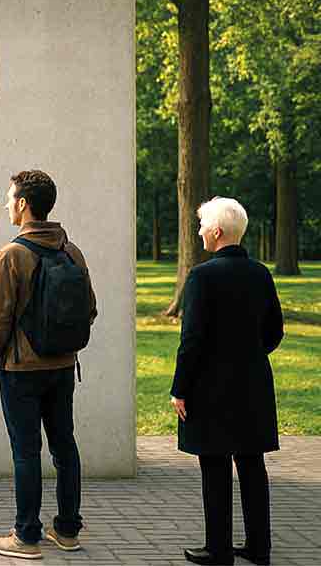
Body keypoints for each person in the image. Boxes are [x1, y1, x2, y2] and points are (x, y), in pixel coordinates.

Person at [0, 170, 97, 560]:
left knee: (26, 452)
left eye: (9, 197)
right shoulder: (72, 252)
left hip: (21, 370)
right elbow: (91, 309)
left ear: (23, 204)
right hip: (64, 367)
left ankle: (26, 536)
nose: (6, 204)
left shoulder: (12, 255)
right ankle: (67, 530)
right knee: (65, 446)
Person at [170, 197, 283, 566]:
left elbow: (192, 341)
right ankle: (258, 548)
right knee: (252, 464)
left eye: (202, 225)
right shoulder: (261, 273)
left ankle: (218, 550)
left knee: (215, 466)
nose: (199, 231)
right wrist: (248, 355)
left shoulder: (202, 276)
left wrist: (180, 389)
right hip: (253, 384)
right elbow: (275, 332)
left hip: (210, 388)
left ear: (217, 232)